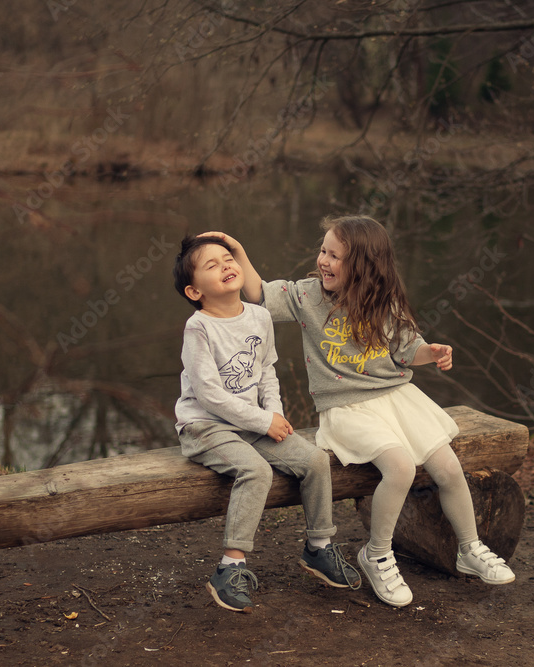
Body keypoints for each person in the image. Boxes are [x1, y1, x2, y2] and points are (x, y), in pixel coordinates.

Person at [210, 216, 515, 608]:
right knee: (401, 468)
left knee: (449, 468)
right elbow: (259, 292)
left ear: (365, 266)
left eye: (335, 255)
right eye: (323, 250)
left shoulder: (384, 303)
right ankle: (376, 554)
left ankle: (469, 548)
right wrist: (238, 252)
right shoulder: (307, 296)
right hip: (346, 407)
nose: (323, 260)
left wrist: (432, 353)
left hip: (397, 399)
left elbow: (407, 349)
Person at [173, 234, 360, 613]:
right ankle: (230, 567)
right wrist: (262, 420)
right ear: (195, 291)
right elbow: (209, 395)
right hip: (205, 428)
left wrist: (274, 415)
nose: (226, 265)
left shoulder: (258, 316)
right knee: (256, 471)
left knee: (315, 460)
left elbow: (267, 371)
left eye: (228, 259)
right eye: (213, 265)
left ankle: (319, 548)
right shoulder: (199, 328)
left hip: (254, 423)